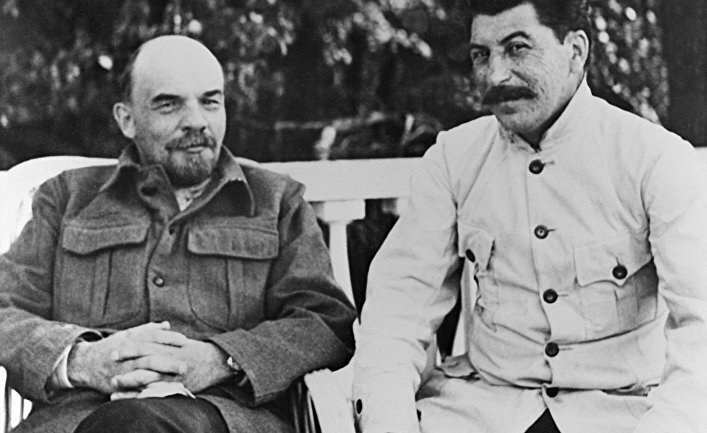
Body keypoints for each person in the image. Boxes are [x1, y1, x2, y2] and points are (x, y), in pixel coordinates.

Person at [353, 1, 707, 432]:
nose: (494, 76)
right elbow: (397, 312)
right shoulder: (454, 159)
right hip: (483, 412)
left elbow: (700, 325)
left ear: (575, 50)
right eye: (481, 55)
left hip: (621, 414)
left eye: (517, 48)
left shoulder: (655, 159)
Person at [0, 35, 356, 433]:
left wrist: (222, 360)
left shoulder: (275, 202)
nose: (197, 121)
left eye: (210, 101)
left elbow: (325, 320)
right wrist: (83, 360)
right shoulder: (68, 198)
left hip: (224, 417)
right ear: (127, 119)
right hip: (77, 419)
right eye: (169, 104)